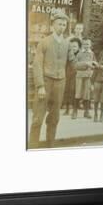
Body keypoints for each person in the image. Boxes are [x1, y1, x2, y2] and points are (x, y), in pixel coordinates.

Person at [29, 11, 70, 148]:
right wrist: (40, 86)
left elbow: (73, 62)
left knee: (54, 118)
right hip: (45, 83)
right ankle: (33, 146)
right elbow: (37, 65)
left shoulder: (66, 43)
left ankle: (50, 146)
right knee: (37, 118)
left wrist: (88, 64)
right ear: (53, 25)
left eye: (64, 24)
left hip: (60, 84)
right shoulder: (44, 42)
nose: (62, 27)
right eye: (59, 24)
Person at [73, 38, 96, 119]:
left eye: (88, 44)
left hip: (88, 76)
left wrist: (94, 64)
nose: (86, 46)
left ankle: (86, 112)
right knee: (78, 93)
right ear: (82, 45)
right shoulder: (79, 54)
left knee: (87, 94)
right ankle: (75, 112)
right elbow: (75, 65)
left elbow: (94, 64)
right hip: (79, 76)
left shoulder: (92, 54)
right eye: (85, 44)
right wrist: (86, 63)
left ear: (90, 45)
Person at [63, 37, 80, 116]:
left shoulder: (79, 56)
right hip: (67, 75)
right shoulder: (67, 56)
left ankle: (74, 110)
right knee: (67, 91)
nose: (73, 48)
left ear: (79, 47)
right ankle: (67, 109)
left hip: (77, 76)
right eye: (71, 46)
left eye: (75, 46)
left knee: (75, 92)